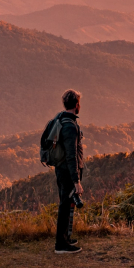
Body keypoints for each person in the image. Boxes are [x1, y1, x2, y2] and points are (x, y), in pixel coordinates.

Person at [54, 88, 84, 255]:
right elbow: (71, 155)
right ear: (77, 105)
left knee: (67, 204)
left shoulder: (62, 119)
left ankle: (65, 238)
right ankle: (61, 244)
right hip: (67, 171)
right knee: (65, 206)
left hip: (62, 169)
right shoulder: (70, 126)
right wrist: (76, 180)